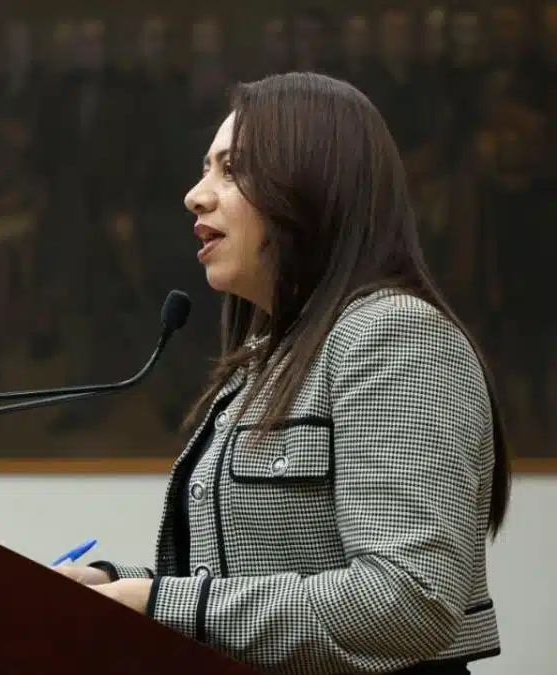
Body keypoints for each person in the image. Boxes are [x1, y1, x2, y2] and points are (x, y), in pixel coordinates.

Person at [54, 72, 510, 675]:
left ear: (312, 187)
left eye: (232, 170)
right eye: (205, 169)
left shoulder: (395, 335)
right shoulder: (276, 351)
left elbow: (412, 598)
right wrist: (116, 585)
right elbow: (254, 576)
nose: (195, 195)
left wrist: (157, 602)